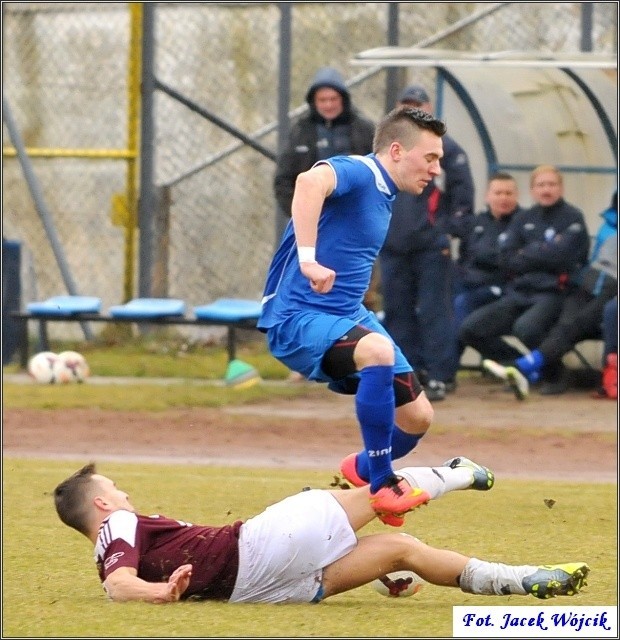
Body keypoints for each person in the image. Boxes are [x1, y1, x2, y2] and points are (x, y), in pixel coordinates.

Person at [258, 107, 446, 525]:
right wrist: (307, 260)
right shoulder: (360, 171)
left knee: (418, 418)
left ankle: (360, 468)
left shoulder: (387, 193)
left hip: (345, 315)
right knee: (377, 350)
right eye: (430, 158)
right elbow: (308, 182)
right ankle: (380, 484)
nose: (436, 169)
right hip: (297, 317)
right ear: (396, 151)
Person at [53, 460, 590, 604]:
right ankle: (463, 471)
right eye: (115, 488)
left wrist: (163, 589)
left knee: (402, 551)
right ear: (101, 502)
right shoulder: (118, 523)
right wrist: (158, 592)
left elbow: (118, 579)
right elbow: (120, 585)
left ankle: (522, 580)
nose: (123, 494)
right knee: (380, 494)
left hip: (269, 592)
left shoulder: (109, 545)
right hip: (257, 549)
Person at [273, 66, 377, 381]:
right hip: (311, 230)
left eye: (333, 98)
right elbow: (284, 180)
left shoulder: (362, 129)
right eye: (322, 99)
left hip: (350, 231)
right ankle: (304, 361)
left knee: (353, 289)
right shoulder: (301, 131)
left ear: (342, 99)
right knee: (305, 289)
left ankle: (357, 357)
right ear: (313, 101)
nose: (328, 104)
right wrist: (301, 216)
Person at [459, 165, 590, 400]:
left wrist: (528, 254)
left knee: (526, 328)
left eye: (551, 184)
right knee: (471, 329)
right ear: (532, 190)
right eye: (541, 185)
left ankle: (556, 374)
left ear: (560, 188)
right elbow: (506, 258)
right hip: (520, 291)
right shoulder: (524, 218)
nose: (546, 190)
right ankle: (518, 369)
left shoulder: (573, 217)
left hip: (553, 292)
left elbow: (564, 256)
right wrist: (544, 252)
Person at [379, 85, 475, 401]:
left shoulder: (446, 149)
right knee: (398, 312)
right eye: (406, 106)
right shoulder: (389, 149)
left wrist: (445, 231)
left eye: (417, 106)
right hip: (394, 246)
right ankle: (408, 374)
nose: (412, 111)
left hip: (431, 247)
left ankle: (440, 375)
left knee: (435, 311)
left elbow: (463, 196)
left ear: (429, 108)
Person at [483, 191, 617, 397]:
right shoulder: (609, 227)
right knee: (565, 325)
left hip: (611, 290)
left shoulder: (575, 217)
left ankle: (525, 368)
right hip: (589, 281)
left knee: (582, 321)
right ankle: (530, 368)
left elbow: (565, 254)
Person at [451, 172, 523, 365]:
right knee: (440, 307)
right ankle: (433, 367)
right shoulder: (477, 223)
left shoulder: (523, 223)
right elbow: (465, 257)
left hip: (503, 289)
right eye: (498, 193)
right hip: (470, 284)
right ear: (487, 196)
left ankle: (445, 369)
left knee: (462, 307)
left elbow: (509, 260)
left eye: (508, 193)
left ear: (517, 196)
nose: (503, 198)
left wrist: (486, 257)